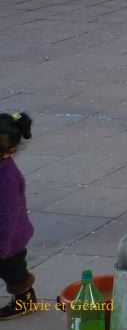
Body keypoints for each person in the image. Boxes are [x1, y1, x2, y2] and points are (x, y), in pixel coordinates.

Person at [0, 112, 34, 321]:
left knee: (15, 273)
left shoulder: (6, 179)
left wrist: (2, 246)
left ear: (9, 152)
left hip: (8, 240)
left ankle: (25, 301)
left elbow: (7, 216)